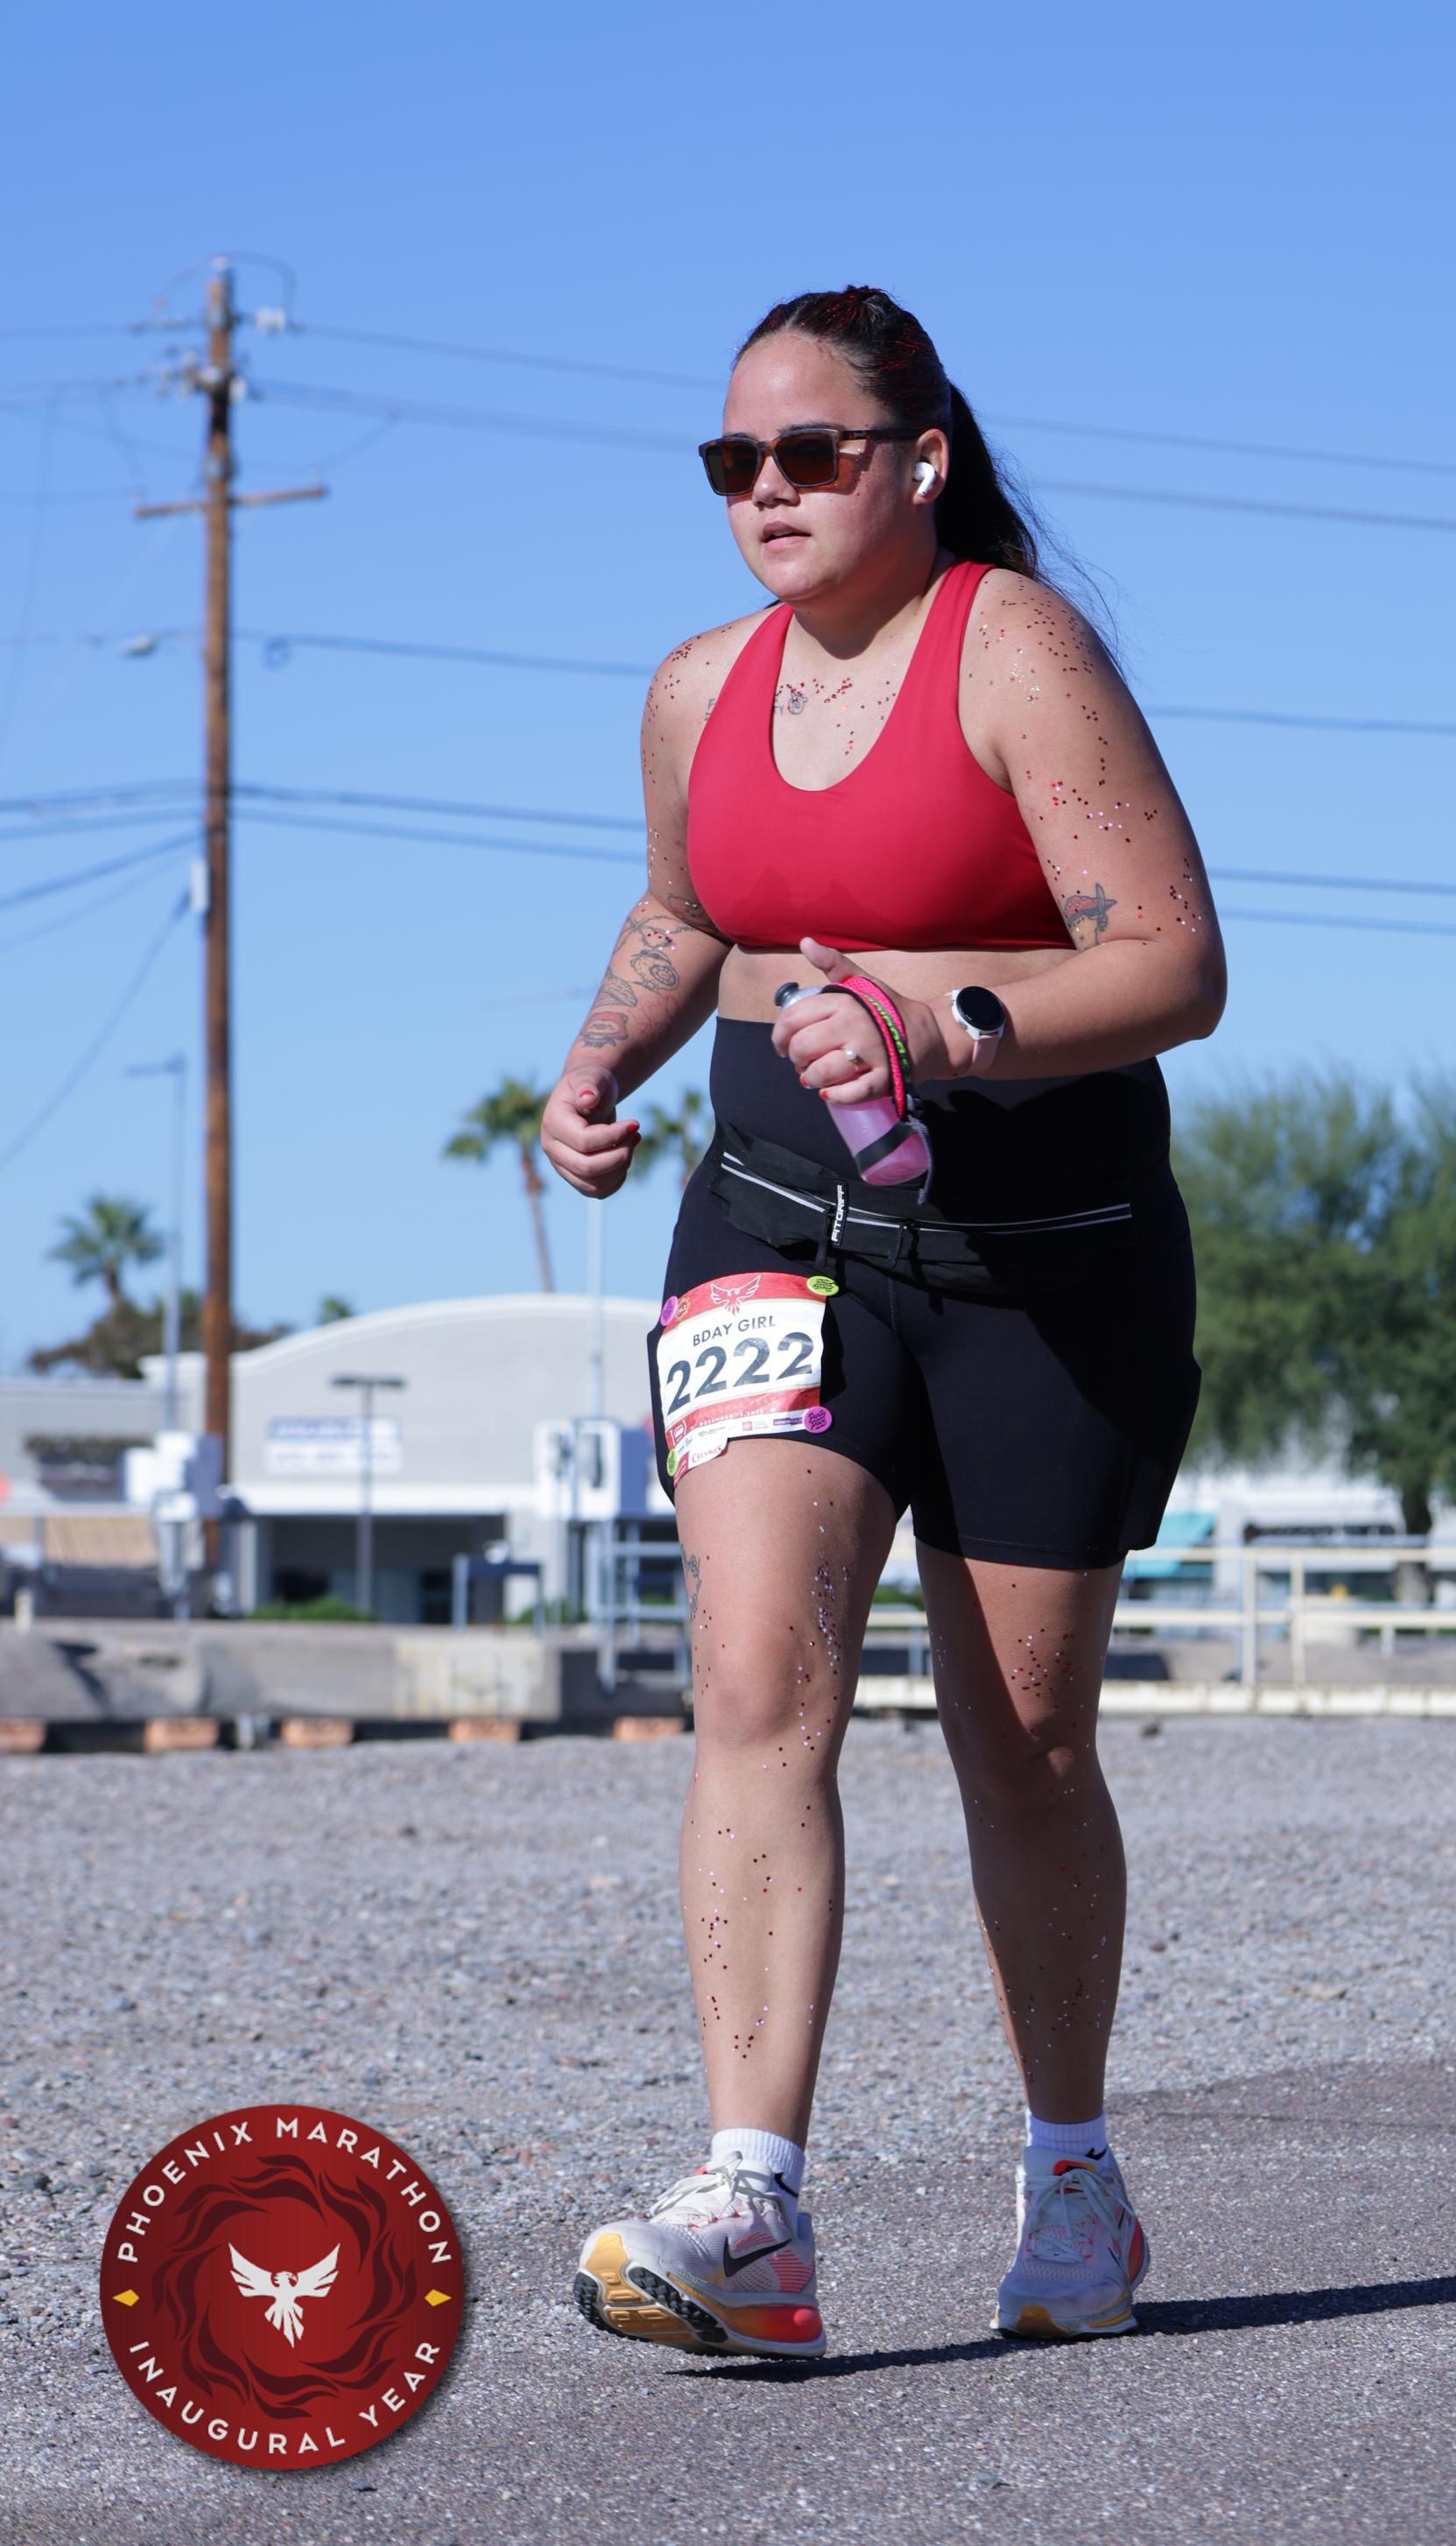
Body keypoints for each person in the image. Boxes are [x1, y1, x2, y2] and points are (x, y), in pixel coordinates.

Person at [542, 286, 1226, 2359]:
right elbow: (692, 908)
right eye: (729, 462)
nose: (764, 490)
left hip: (1043, 1255)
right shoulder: (695, 688)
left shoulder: (1012, 650)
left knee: (1022, 1742)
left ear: (918, 460)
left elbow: (1173, 960)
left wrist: (946, 1024)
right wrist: (595, 1066)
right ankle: (750, 2207)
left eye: (808, 453)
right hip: (776, 1231)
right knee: (758, 1682)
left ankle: (1073, 2177)